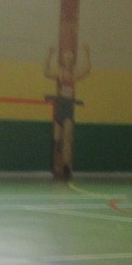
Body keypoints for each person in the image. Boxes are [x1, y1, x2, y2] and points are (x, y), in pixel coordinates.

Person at [43, 40, 91, 182]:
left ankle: (66, 166)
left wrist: (87, 53)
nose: (69, 57)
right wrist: (49, 55)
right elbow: (46, 72)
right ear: (63, 59)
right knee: (57, 138)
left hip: (69, 106)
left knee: (68, 137)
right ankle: (57, 149)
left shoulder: (74, 73)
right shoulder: (59, 71)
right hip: (60, 105)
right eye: (66, 55)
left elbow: (87, 70)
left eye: (71, 56)